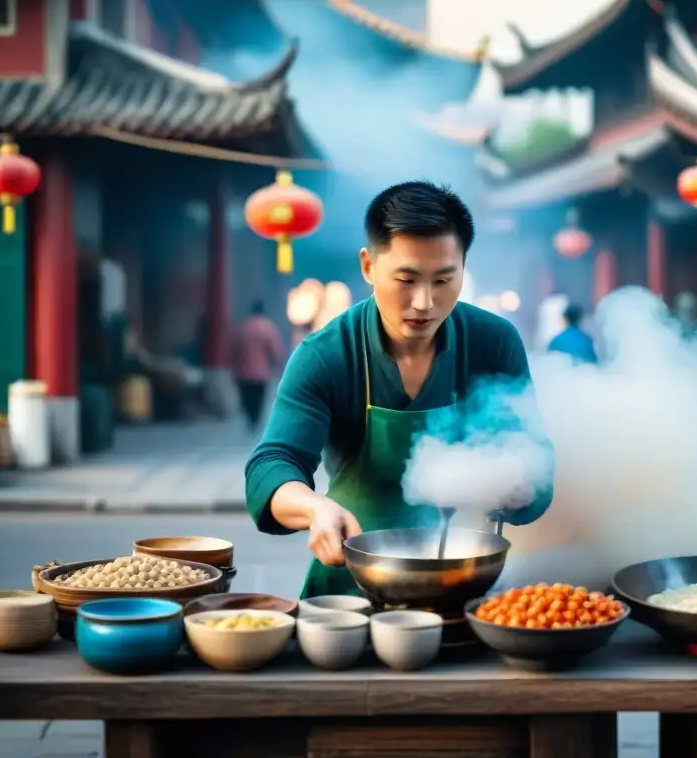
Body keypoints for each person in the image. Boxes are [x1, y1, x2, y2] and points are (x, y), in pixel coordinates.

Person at [244, 181, 554, 599]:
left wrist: (523, 484)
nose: (424, 302)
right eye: (406, 279)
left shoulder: (493, 342)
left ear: (464, 267)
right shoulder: (326, 354)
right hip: (351, 583)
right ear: (369, 266)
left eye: (443, 279)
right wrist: (315, 508)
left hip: (467, 581)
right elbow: (271, 465)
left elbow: (535, 457)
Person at [231, 301, 284, 433]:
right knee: (258, 398)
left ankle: (249, 418)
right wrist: (277, 365)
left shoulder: (243, 327)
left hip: (243, 371)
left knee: (246, 396)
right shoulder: (268, 328)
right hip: (261, 372)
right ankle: (255, 420)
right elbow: (275, 351)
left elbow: (233, 349)